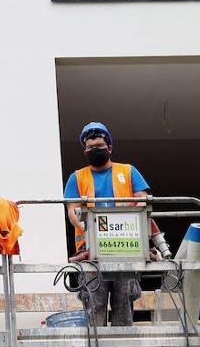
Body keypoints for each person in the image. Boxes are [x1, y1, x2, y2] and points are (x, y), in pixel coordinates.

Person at [63, 122, 152, 327]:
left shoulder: (129, 172)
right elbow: (73, 211)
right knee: (95, 306)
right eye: (91, 147)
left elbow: (142, 201)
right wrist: (92, 230)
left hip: (126, 251)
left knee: (123, 305)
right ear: (85, 150)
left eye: (99, 146)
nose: (95, 150)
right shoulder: (77, 178)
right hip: (90, 253)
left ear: (109, 148)